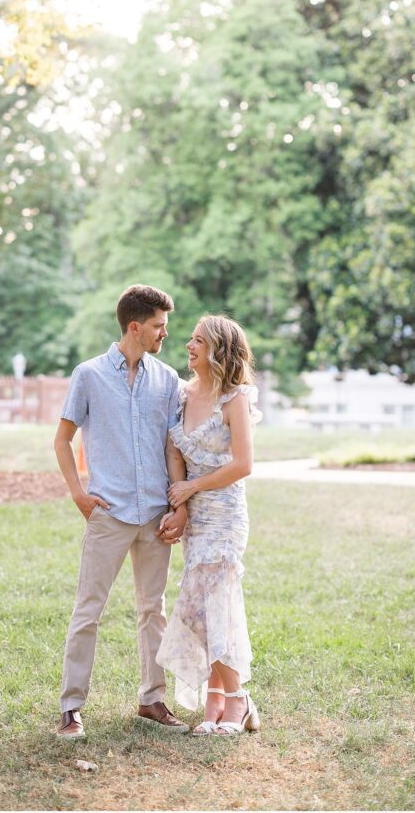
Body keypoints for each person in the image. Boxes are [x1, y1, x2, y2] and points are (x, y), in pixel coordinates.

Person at [54, 284, 190, 739]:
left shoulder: (167, 380)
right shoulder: (89, 375)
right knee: (88, 610)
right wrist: (79, 494)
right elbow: (62, 439)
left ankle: (152, 699)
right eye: (158, 326)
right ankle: (71, 707)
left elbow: (173, 447)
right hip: (109, 513)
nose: (165, 334)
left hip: (153, 513)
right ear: (135, 326)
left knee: (154, 609)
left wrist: (178, 506)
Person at [156, 314, 262, 735]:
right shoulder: (183, 395)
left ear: (218, 349)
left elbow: (243, 464)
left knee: (216, 604)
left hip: (225, 514)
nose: (188, 345)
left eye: (198, 340)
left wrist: (193, 486)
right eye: (191, 338)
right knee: (202, 608)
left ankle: (237, 699)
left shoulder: (234, 399)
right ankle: (215, 700)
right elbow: (173, 450)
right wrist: (181, 501)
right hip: (195, 517)